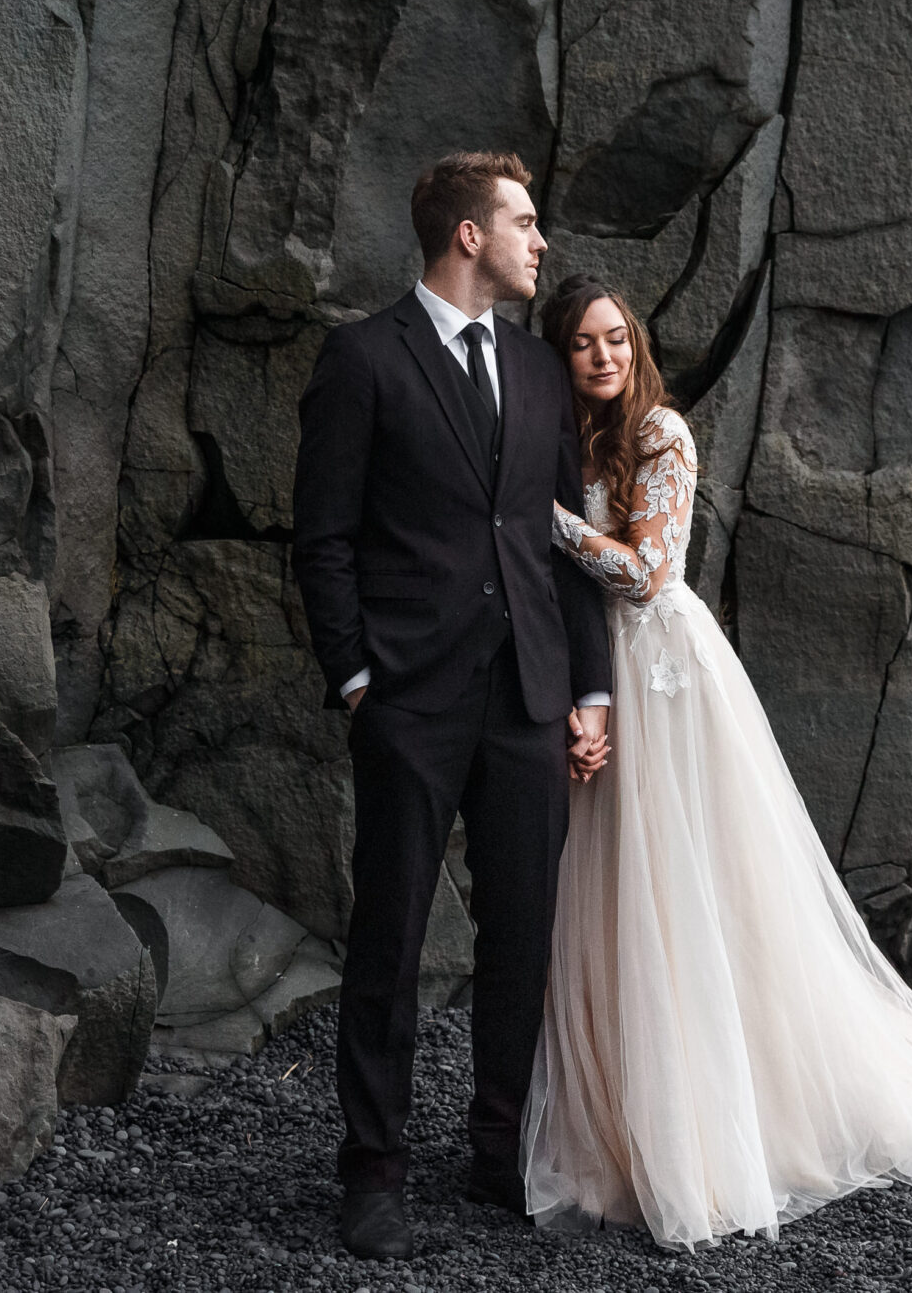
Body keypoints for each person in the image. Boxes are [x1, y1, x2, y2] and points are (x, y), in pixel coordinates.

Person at [520, 273, 912, 1249]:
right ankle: (623, 1119)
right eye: (581, 345)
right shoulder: (570, 439)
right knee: (607, 892)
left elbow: (648, 574)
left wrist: (543, 519)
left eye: (613, 340)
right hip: (596, 673)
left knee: (693, 883)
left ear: (633, 346)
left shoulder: (661, 435)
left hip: (664, 677)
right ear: (559, 357)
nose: (601, 358)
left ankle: (722, 1121)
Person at [291, 152, 614, 1262]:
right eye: (523, 222)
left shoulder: (535, 375)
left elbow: (560, 545)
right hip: (410, 700)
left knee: (522, 934)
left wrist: (586, 687)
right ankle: (371, 1175)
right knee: (387, 934)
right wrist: (356, 677)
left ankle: (496, 1156)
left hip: (526, 695)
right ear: (467, 235)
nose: (539, 241)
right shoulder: (362, 360)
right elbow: (321, 537)